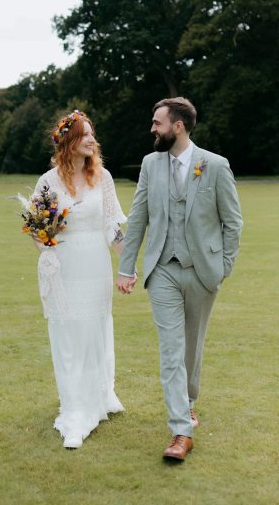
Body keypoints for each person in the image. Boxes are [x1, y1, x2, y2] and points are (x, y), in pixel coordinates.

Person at [116, 97, 242, 461]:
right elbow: (138, 217)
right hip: (162, 271)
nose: (152, 129)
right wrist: (127, 267)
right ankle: (180, 431)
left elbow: (232, 222)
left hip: (204, 272)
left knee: (192, 346)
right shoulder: (150, 164)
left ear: (178, 126)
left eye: (157, 123)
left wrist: (224, 267)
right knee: (171, 351)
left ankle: (188, 401)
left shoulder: (215, 166)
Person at [32, 110, 126, 449]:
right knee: (69, 333)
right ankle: (75, 410)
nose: (91, 139)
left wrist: (126, 265)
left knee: (95, 330)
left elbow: (113, 226)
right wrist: (47, 247)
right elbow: (38, 232)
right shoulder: (48, 181)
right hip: (65, 267)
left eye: (91, 133)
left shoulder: (104, 178)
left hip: (96, 265)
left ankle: (99, 397)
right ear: (67, 142)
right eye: (83, 134)